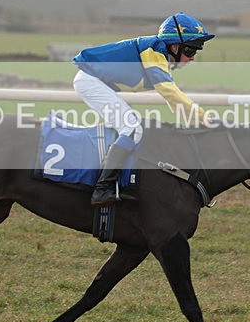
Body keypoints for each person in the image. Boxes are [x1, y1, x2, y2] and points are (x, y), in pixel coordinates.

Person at [73, 12, 214, 206]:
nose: (192, 58)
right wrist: (203, 118)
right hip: (90, 81)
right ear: (174, 46)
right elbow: (168, 90)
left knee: (131, 128)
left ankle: (116, 183)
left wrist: (191, 118)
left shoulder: (159, 53)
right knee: (132, 129)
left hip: (98, 82)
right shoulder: (154, 51)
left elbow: (169, 96)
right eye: (190, 51)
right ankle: (102, 189)